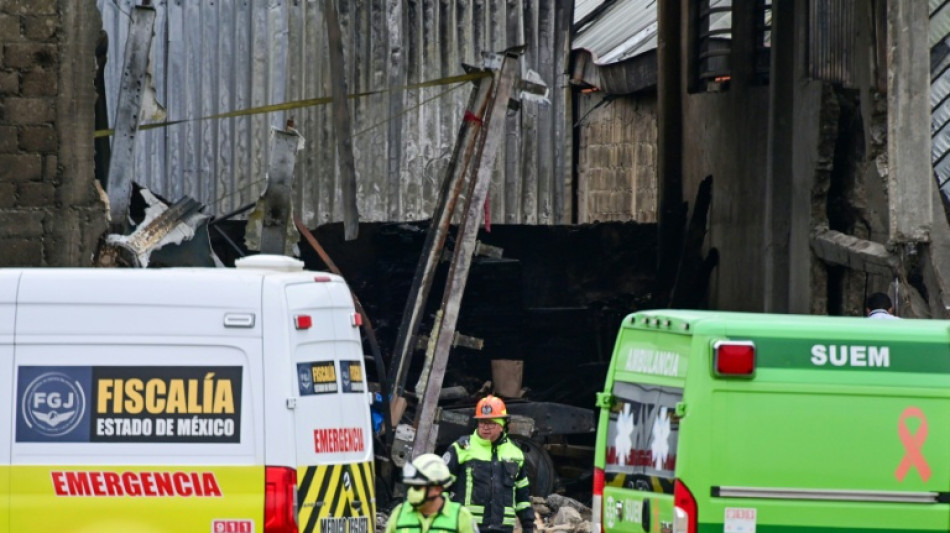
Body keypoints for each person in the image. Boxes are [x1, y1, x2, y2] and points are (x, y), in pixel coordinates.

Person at [443, 395, 535, 533]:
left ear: (502, 425)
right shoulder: (460, 449)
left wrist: (528, 527)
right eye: (482, 422)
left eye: (491, 423)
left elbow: (523, 497)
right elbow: (439, 488)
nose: (485, 427)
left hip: (503, 529)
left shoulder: (515, 454)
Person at [386, 453, 479, 533]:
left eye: (417, 487)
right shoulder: (399, 514)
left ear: (437, 489)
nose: (412, 491)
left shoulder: (461, 517)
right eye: (409, 486)